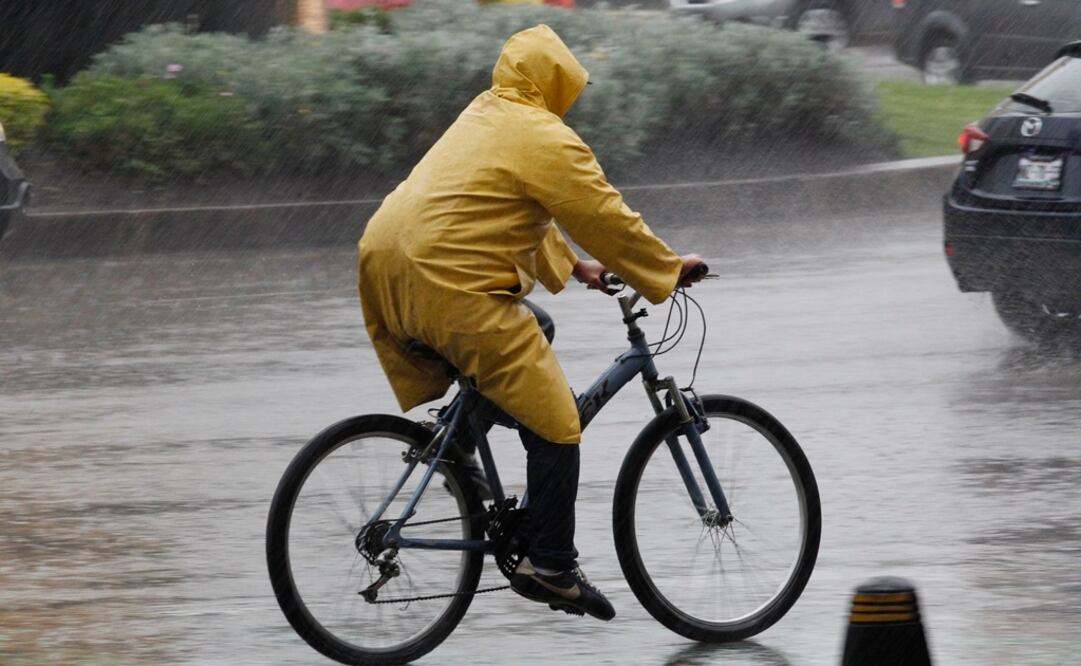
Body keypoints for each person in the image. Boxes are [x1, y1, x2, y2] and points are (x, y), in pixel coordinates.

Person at [357, 24, 704, 621]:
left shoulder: (486, 114)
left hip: (386, 266)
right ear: (553, 84)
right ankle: (550, 563)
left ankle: (457, 446)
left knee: (534, 329)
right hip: (450, 285)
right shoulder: (542, 133)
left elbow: (507, 206)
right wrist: (666, 271)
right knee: (557, 423)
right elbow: (601, 213)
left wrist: (579, 268)